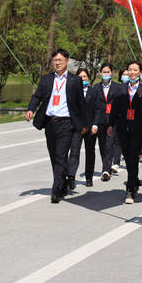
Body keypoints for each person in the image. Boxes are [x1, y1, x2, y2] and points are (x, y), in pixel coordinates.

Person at [25, 49, 87, 204]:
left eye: (60, 60)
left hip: (67, 123)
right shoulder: (46, 79)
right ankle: (63, 181)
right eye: (55, 60)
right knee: (54, 156)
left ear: (66, 61)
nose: (57, 63)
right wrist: (31, 109)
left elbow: (81, 104)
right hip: (50, 122)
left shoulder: (75, 80)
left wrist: (85, 124)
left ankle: (56, 190)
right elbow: (37, 96)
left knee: (61, 155)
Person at [110, 61, 142, 204]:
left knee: (133, 157)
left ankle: (130, 189)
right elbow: (115, 108)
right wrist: (110, 124)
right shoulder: (121, 89)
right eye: (130, 70)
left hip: (138, 129)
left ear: (140, 72)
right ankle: (136, 180)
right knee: (128, 157)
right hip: (123, 128)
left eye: (135, 70)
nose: (132, 72)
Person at [86, 63, 118, 183]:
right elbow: (93, 107)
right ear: (100, 73)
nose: (106, 74)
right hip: (100, 121)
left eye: (108, 72)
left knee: (109, 145)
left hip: (112, 121)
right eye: (104, 72)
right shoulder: (95, 88)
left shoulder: (117, 87)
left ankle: (106, 170)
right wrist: (94, 123)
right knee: (102, 145)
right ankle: (106, 166)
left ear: (111, 73)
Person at [68, 68, 95, 187]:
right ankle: (71, 177)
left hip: (90, 127)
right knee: (74, 152)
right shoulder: (71, 92)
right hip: (76, 127)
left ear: (88, 78)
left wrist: (95, 125)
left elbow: (98, 109)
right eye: (80, 77)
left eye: (84, 77)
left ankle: (89, 177)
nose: (82, 79)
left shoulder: (93, 91)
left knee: (90, 152)